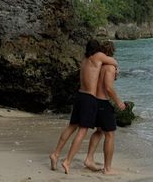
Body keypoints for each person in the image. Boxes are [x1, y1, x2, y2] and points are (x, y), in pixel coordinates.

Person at [49, 39, 118, 174]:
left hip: (79, 95)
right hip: (89, 99)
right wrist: (116, 69)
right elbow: (114, 61)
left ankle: (55, 154)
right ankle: (67, 161)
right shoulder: (98, 56)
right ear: (97, 49)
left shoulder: (85, 58)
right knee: (82, 131)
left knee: (71, 127)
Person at [84, 41, 126, 175]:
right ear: (112, 52)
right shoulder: (110, 67)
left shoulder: (98, 64)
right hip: (103, 103)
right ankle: (107, 168)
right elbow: (108, 87)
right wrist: (118, 102)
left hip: (94, 101)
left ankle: (89, 159)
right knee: (110, 134)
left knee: (99, 131)